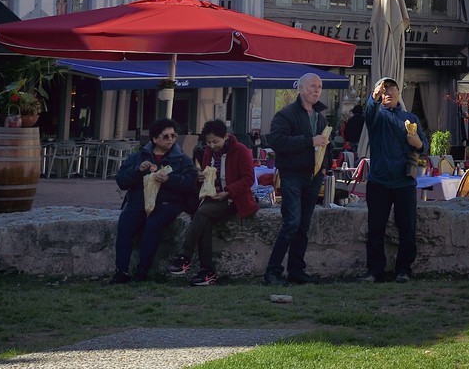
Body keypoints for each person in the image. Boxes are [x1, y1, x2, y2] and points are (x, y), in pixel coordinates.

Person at [166, 119, 258, 286]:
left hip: (233, 198)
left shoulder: (241, 151)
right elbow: (204, 180)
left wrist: (228, 191)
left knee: (201, 213)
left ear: (226, 137)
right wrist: (200, 177)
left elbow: (248, 179)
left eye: (215, 141)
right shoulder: (208, 152)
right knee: (204, 222)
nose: (212, 145)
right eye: (208, 142)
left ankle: (184, 257)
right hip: (213, 197)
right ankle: (207, 272)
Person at [263, 71, 332, 286]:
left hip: (313, 177)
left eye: (319, 87)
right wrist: (308, 141)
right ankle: (272, 272)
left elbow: (326, 145)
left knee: (303, 225)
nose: (316, 90)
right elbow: (277, 142)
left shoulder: (320, 117)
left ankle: (296, 270)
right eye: (312, 86)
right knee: (291, 222)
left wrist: (324, 168)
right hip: (292, 175)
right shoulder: (285, 115)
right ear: (300, 89)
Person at [113, 118, 198, 283]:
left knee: (152, 225)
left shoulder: (182, 159)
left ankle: (142, 271)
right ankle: (121, 271)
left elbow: (190, 183)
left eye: (173, 135)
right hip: (138, 202)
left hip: (167, 204)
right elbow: (122, 181)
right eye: (165, 136)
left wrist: (169, 179)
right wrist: (138, 170)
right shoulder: (138, 157)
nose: (171, 139)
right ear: (154, 139)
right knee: (125, 224)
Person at [361, 77, 424, 283]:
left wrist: (417, 142)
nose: (388, 92)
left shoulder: (411, 118)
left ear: (399, 93)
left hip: (404, 181)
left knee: (407, 228)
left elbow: (425, 147)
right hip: (379, 181)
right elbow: (369, 113)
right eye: (384, 89)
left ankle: (404, 270)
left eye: (391, 89)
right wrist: (373, 96)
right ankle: (374, 271)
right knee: (375, 228)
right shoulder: (377, 117)